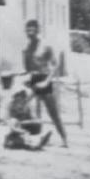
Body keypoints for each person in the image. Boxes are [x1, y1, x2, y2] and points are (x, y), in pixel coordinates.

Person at [23, 19, 69, 148]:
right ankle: (31, 137)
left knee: (53, 112)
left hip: (44, 79)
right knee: (23, 106)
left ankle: (64, 139)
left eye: (32, 30)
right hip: (33, 79)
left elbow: (55, 65)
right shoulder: (26, 48)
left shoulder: (45, 45)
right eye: (27, 30)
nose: (29, 33)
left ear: (38, 30)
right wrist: (27, 78)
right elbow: (27, 68)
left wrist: (46, 82)